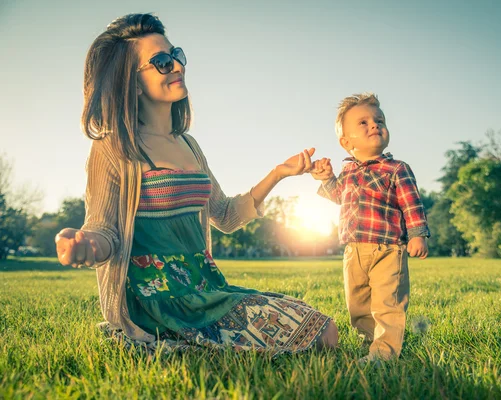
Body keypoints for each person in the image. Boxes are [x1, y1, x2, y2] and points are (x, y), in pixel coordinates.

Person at [55, 13, 337, 355]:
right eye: (160, 62)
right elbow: (105, 228)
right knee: (322, 335)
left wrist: (279, 173)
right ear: (130, 81)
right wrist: (88, 244)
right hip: (157, 301)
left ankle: (184, 343)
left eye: (176, 55)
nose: (176, 65)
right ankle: (149, 338)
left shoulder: (189, 145)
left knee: (317, 323)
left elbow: (226, 215)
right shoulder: (113, 146)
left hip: (205, 290)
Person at [310, 93, 429, 364]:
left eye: (379, 120)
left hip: (388, 248)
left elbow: (411, 204)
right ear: (346, 142)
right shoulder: (348, 171)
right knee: (359, 304)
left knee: (388, 304)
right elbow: (338, 196)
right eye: (363, 123)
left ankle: (385, 353)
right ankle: (370, 341)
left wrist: (418, 234)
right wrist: (327, 177)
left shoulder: (397, 169)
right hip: (354, 250)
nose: (374, 125)